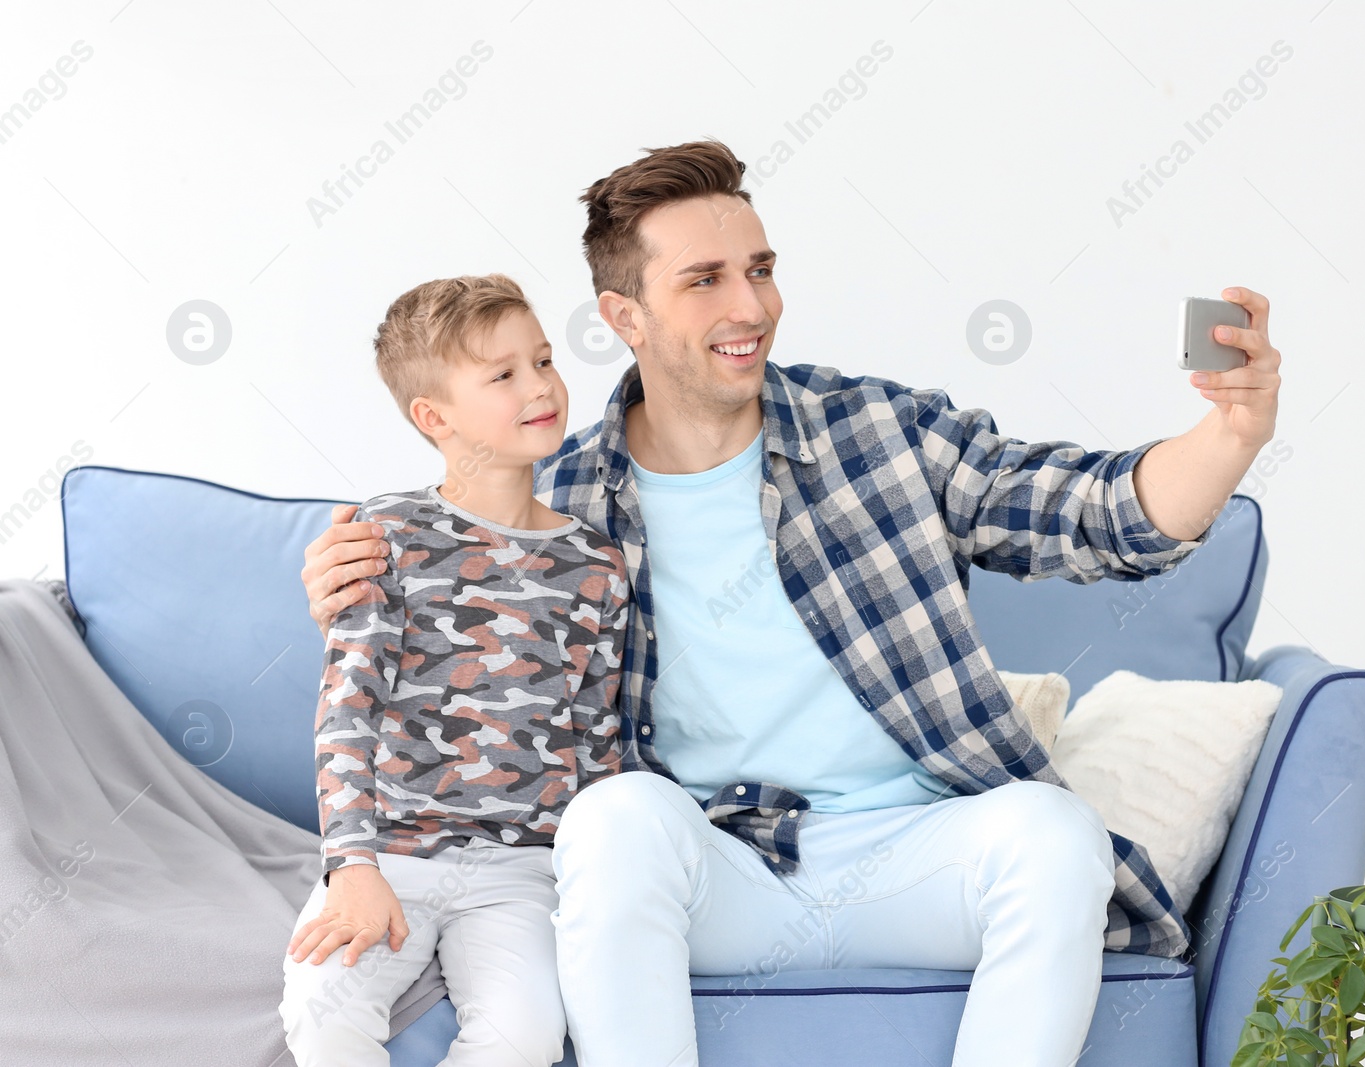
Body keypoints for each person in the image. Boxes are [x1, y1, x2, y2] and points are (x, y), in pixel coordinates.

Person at [300, 140, 1282, 1066]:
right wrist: (352, 577)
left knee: (1054, 832)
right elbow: (445, 595)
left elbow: (1086, 510)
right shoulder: (562, 499)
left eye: (759, 268)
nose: (750, 304)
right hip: (721, 863)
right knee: (611, 817)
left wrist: (1229, 434)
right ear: (623, 317)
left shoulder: (875, 434)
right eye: (705, 279)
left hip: (916, 852)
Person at [280, 274, 629, 1066]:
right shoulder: (387, 533)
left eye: (543, 360)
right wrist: (353, 865)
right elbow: (346, 711)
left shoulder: (596, 565)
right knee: (324, 1008)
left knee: (527, 1034)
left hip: (521, 865)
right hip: (392, 848)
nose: (540, 385)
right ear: (434, 418)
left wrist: (589, 877)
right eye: (503, 374)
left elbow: (595, 740)